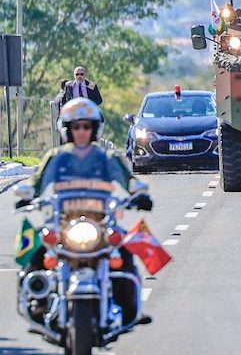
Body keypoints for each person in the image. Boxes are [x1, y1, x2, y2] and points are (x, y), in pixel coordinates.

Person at [21, 98, 152, 324]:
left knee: (124, 254)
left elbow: (129, 181)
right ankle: (37, 302)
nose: (81, 131)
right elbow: (36, 182)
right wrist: (28, 194)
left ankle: (130, 308)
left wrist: (138, 193)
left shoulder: (107, 158)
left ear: (94, 129)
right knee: (35, 252)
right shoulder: (55, 157)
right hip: (63, 223)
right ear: (67, 129)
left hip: (100, 223)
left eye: (86, 126)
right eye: (76, 126)